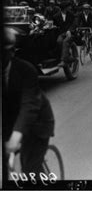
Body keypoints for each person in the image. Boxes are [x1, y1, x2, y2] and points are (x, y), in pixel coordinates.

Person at [3, 28, 55, 179]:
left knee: (29, 169)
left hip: (38, 122)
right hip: (12, 123)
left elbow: (29, 106)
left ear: (11, 52)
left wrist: (15, 138)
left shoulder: (26, 70)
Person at [52, 0, 77, 67]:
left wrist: (70, 30)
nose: (70, 7)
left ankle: (63, 60)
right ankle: (68, 56)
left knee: (65, 41)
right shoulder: (56, 16)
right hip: (61, 34)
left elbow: (74, 24)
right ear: (65, 7)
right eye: (69, 6)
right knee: (59, 41)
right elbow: (55, 26)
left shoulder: (71, 14)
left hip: (71, 33)